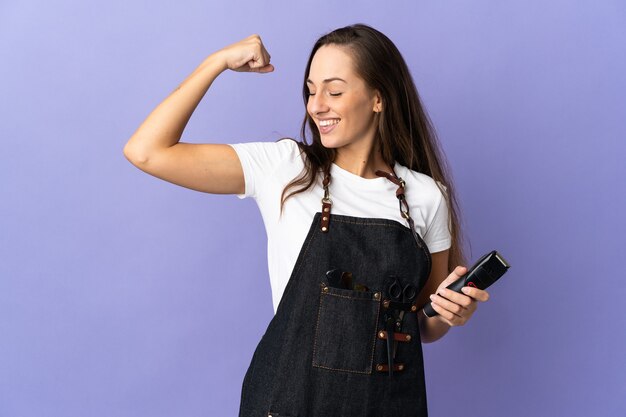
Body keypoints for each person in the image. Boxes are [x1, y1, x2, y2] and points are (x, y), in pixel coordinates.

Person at [124, 23, 490, 417]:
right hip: (288, 403)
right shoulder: (286, 169)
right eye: (311, 91)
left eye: (333, 91)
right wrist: (215, 63)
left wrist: (451, 315)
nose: (317, 105)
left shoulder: (425, 196)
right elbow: (147, 151)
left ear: (378, 98)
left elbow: (421, 326)